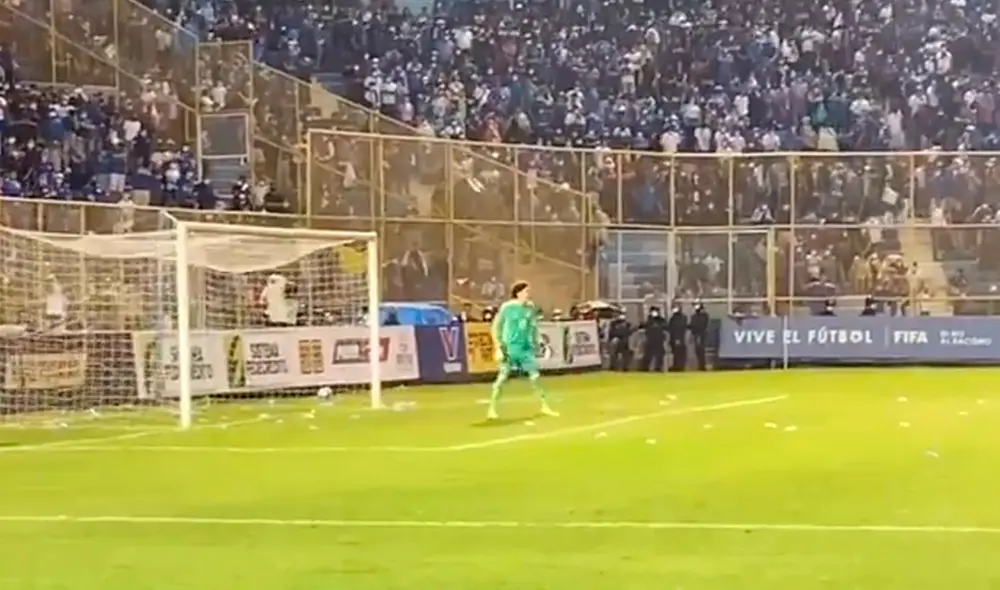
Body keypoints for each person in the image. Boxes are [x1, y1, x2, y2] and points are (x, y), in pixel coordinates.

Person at [487, 281, 558, 420]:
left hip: (525, 349)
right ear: (518, 293)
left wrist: (538, 341)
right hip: (510, 348)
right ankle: (492, 409)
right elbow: (496, 327)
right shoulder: (507, 307)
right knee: (502, 379)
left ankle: (544, 406)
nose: (528, 294)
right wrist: (498, 347)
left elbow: (533, 326)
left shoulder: (530, 307)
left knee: (535, 378)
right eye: (526, 291)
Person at [641, 306, 668, 372]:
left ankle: (658, 369)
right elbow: (643, 326)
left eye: (655, 311)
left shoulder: (661, 320)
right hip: (650, 340)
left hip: (659, 340)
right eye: (653, 311)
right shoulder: (648, 320)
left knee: (659, 356)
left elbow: (665, 326)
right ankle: (645, 369)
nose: (654, 313)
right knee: (647, 356)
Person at [667, 303, 688, 372]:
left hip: (678, 338)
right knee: (676, 353)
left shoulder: (681, 318)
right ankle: (677, 365)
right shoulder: (673, 318)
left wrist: (677, 338)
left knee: (679, 353)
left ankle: (679, 366)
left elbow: (679, 329)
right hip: (674, 338)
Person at [689, 301, 709, 371]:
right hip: (695, 334)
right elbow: (692, 325)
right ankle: (700, 365)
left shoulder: (704, 315)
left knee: (701, 350)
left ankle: (702, 366)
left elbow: (703, 325)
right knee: (697, 350)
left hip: (701, 334)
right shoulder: (694, 316)